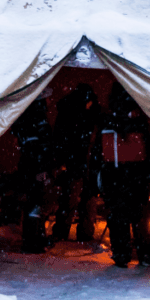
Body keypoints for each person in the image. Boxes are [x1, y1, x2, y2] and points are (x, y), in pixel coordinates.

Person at [98, 83, 150, 267]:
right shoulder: (140, 121)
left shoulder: (107, 121)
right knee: (138, 218)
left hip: (118, 175)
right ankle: (142, 254)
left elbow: (97, 151)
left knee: (121, 218)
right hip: (132, 176)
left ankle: (124, 254)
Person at [52, 83, 101, 242]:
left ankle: (71, 233)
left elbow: (60, 139)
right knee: (74, 199)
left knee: (77, 199)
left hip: (82, 163)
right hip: (79, 163)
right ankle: (70, 233)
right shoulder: (79, 114)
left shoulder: (72, 113)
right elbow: (61, 139)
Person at [11, 96, 56, 254]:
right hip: (35, 168)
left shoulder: (24, 119)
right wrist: (42, 168)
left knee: (32, 204)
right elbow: (43, 146)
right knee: (36, 204)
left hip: (28, 167)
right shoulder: (39, 120)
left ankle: (32, 239)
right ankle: (33, 241)